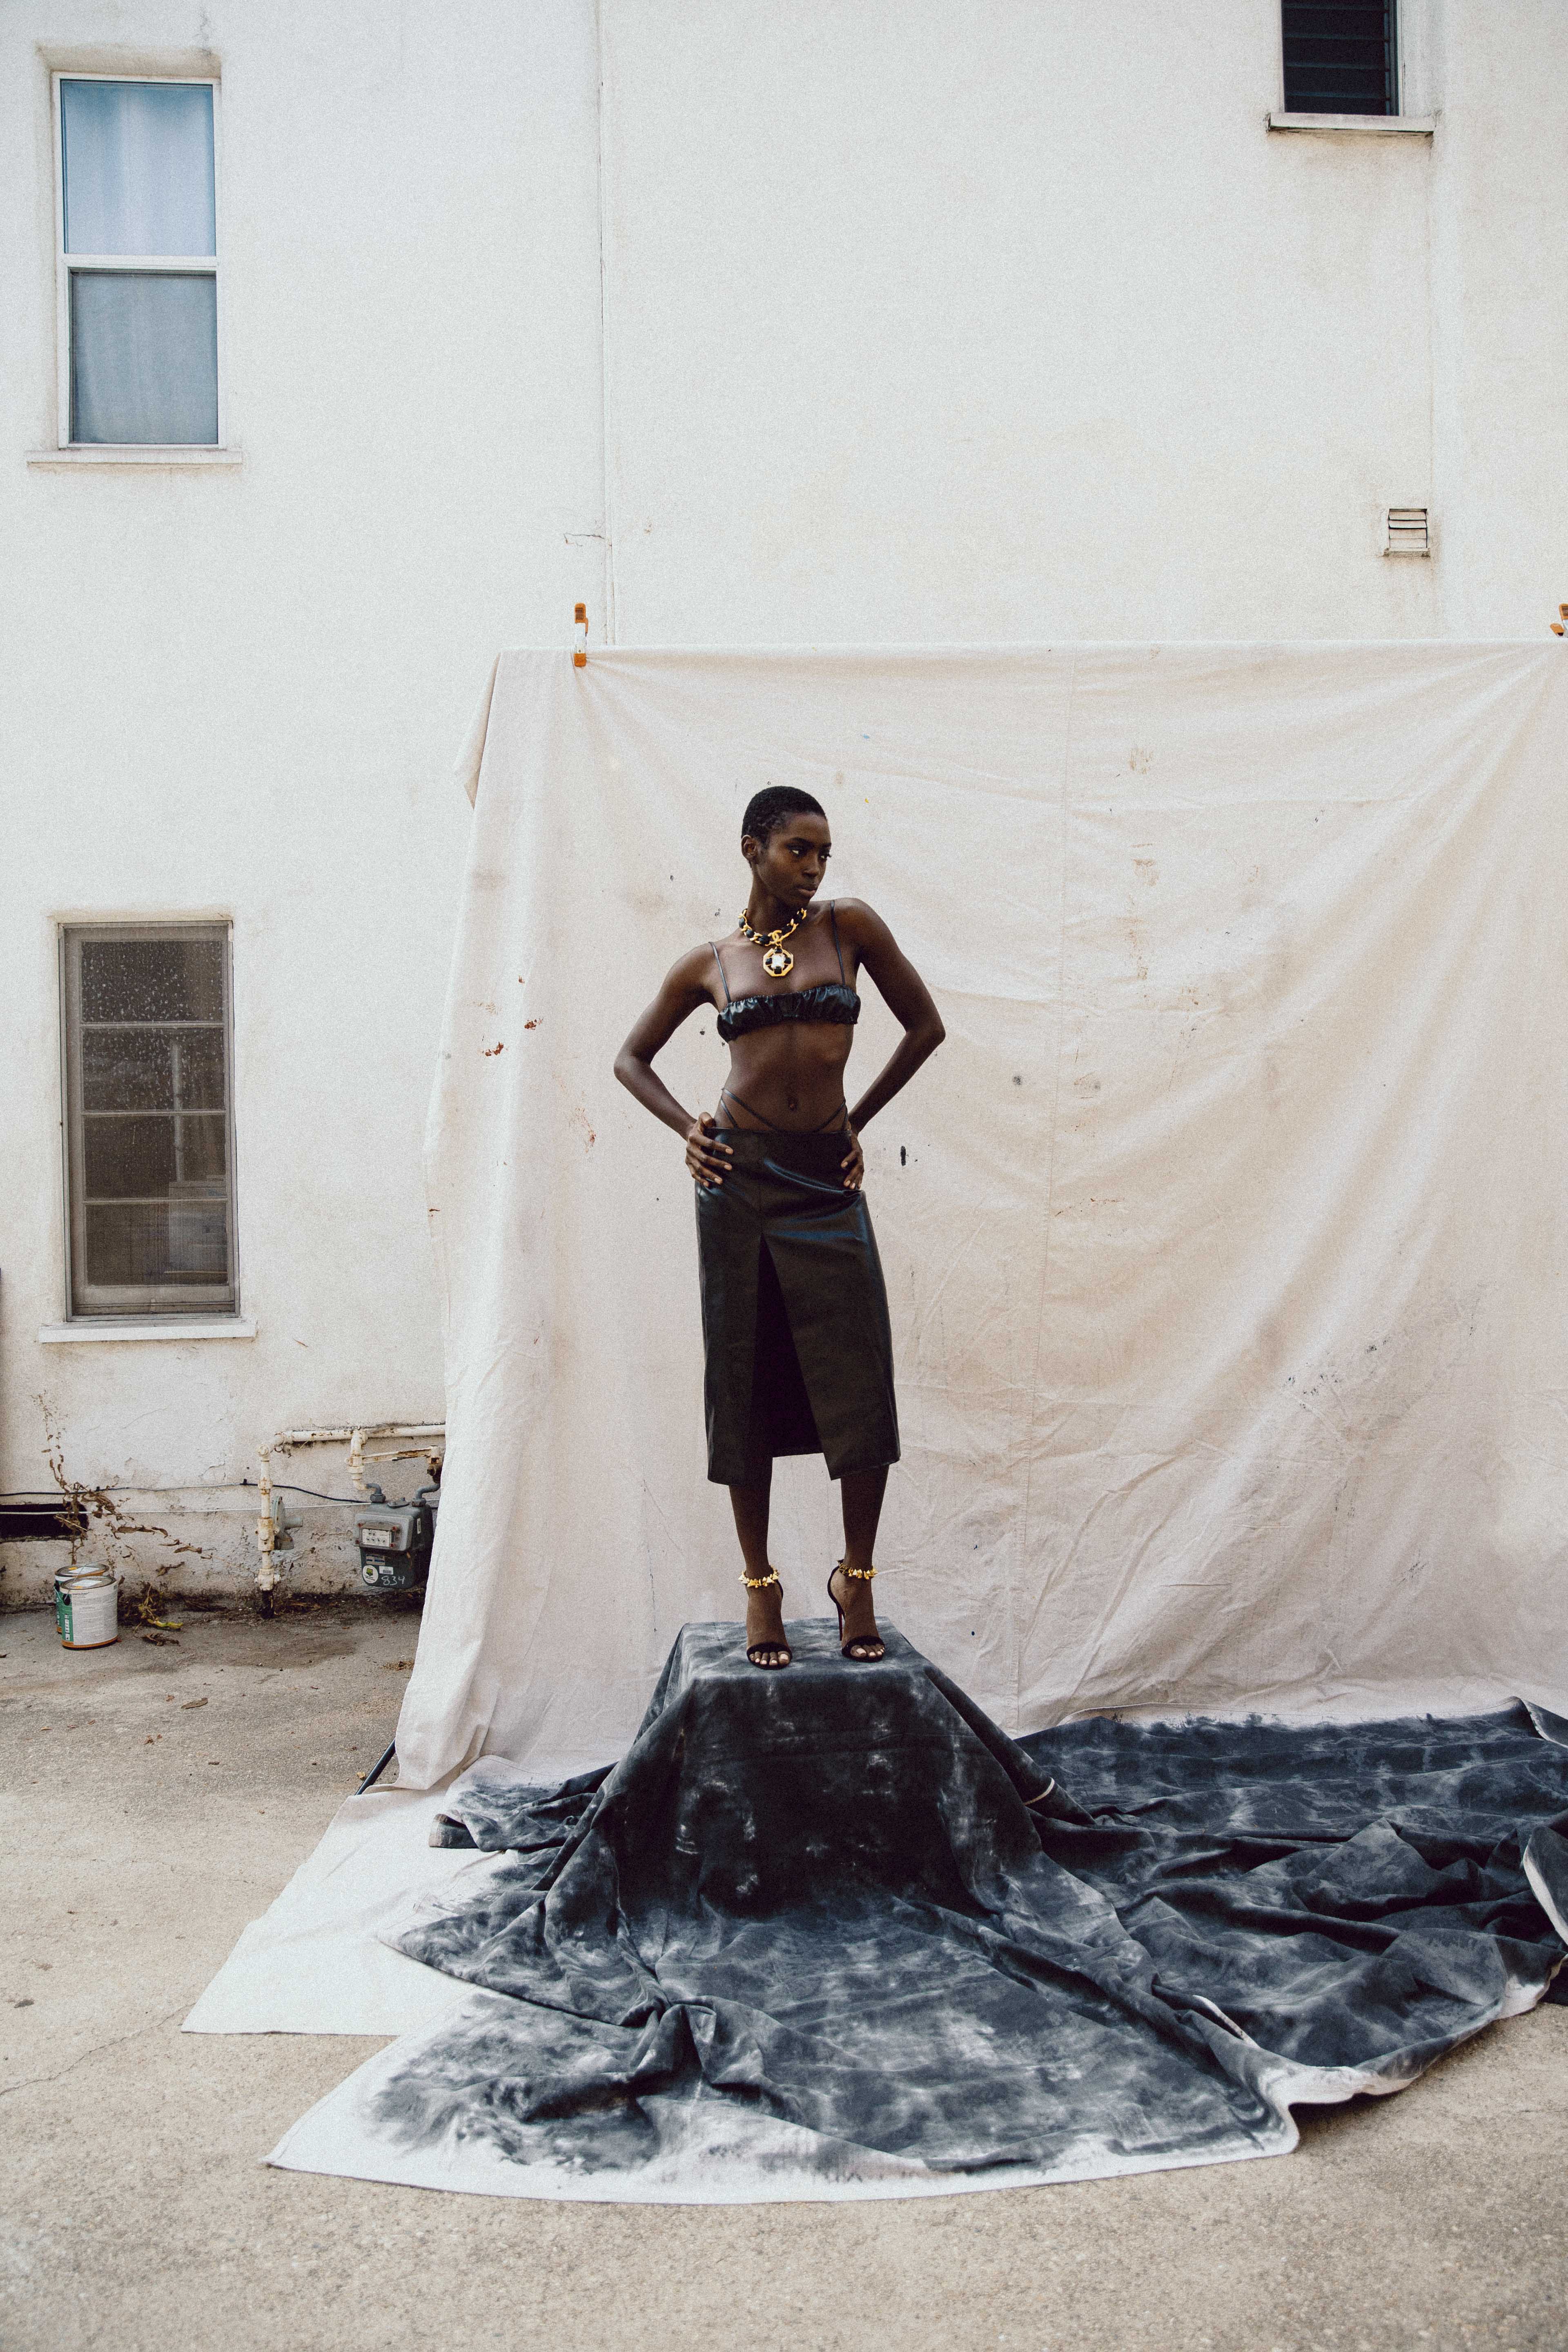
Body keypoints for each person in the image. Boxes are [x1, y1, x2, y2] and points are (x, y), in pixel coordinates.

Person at [614, 786, 945, 1668]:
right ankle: (760, 1583)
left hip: (826, 1184)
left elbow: (927, 1028)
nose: (815, 868)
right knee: (743, 1379)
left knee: (860, 1380)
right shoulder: (710, 963)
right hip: (742, 1187)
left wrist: (855, 1124)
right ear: (752, 849)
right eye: (799, 849)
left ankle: (856, 1578)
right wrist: (689, 1130)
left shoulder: (849, 927)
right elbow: (630, 1059)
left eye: (824, 853)